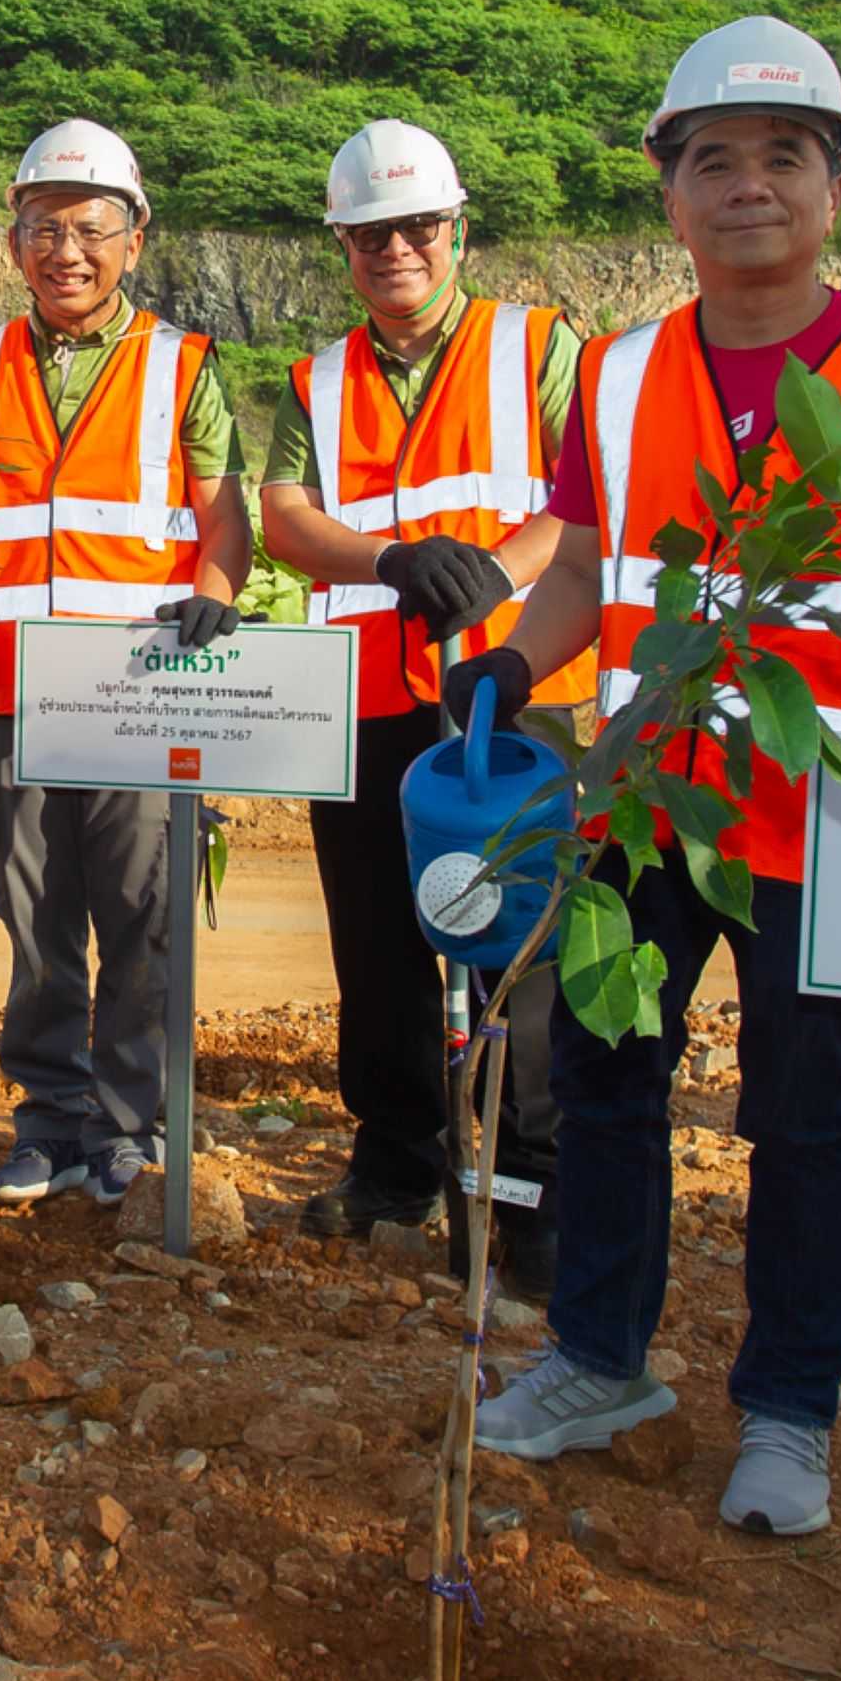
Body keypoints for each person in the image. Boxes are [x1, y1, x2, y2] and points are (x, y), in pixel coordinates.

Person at [461, 18, 841, 1545]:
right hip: (650, 791)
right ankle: (596, 1359)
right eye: (715, 160)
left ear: (835, 187)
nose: (748, 186)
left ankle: (787, 1413)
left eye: (784, 156)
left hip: (832, 810)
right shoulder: (625, 371)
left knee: (802, 1110)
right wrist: (514, 661)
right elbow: (582, 563)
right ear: (670, 191)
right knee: (611, 1078)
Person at [257, 121, 594, 1291]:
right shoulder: (320, 376)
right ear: (342, 243)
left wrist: (496, 573)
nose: (393, 248)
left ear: (455, 229)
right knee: (378, 939)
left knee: (521, 945)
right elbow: (284, 516)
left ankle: (533, 1182)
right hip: (368, 694)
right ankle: (397, 1158)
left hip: (511, 688)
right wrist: (389, 558)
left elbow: (580, 497)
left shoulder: (541, 347)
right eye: (368, 233)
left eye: (414, 227)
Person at [0, 121, 249, 1207]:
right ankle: (46, 1118)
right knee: (35, 917)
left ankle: (123, 1125)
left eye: (89, 227)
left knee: (140, 915)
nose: (66, 249)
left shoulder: (179, 364)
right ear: (13, 239)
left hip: (140, 695)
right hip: (15, 695)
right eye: (43, 227)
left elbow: (223, 517)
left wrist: (212, 594)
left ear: (133, 236)